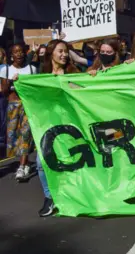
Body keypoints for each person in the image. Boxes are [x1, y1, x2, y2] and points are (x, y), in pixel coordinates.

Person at [37, 40, 81, 216]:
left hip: (70, 124)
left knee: (73, 159)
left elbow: (83, 90)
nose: (64, 55)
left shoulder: (73, 72)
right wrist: (20, 82)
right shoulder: (42, 75)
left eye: (66, 52)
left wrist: (72, 85)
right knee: (41, 162)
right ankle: (49, 197)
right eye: (60, 51)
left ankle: (75, 195)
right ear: (51, 53)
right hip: (48, 124)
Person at [1, 43, 38, 181]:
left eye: (21, 51)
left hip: (28, 105)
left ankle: (22, 166)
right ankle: (26, 162)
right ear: (12, 55)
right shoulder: (6, 69)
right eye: (16, 52)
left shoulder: (32, 69)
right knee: (13, 136)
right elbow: (4, 91)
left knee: (26, 134)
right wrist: (11, 80)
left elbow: (35, 89)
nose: (19, 54)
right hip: (12, 106)